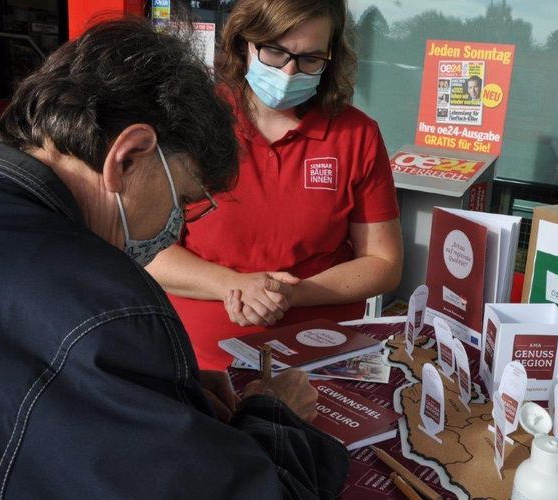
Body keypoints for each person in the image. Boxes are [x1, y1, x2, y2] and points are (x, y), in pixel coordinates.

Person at [0, 18, 347, 500]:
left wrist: (162, 392)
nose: (175, 224)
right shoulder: (108, 303)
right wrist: (275, 417)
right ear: (129, 157)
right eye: (185, 198)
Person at [147, 0, 403, 371]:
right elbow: (150, 251)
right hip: (205, 365)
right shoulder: (192, 122)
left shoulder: (355, 134)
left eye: (311, 59)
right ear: (244, 43)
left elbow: (384, 262)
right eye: (274, 52)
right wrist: (234, 286)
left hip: (323, 363)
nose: (289, 72)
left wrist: (293, 294)